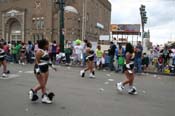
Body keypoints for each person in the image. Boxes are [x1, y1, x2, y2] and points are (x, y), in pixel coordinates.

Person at [29, 39, 56, 104]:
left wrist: (53, 67)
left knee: (44, 85)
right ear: (44, 45)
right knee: (42, 84)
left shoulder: (45, 51)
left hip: (46, 69)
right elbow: (36, 62)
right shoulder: (39, 52)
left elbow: (48, 61)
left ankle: (44, 98)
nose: (49, 45)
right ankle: (32, 91)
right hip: (40, 69)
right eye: (47, 44)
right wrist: (38, 71)